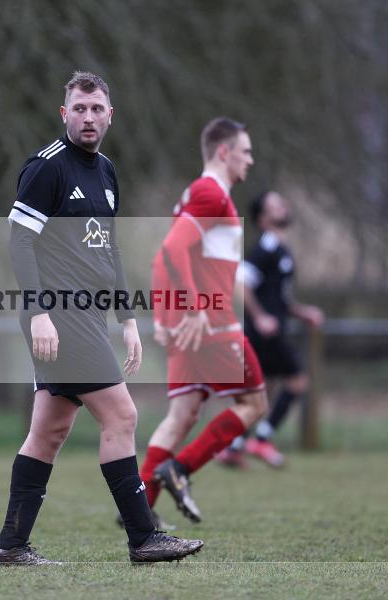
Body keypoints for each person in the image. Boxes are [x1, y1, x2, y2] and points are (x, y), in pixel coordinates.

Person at [0, 71, 204, 565]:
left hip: (86, 316)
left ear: (111, 115)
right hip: (59, 315)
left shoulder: (106, 171)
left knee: (48, 431)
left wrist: (127, 319)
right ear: (63, 113)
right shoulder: (46, 169)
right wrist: (40, 311)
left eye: (97, 109)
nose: (88, 117)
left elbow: (107, 251)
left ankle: (11, 545)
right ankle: (144, 539)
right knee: (122, 416)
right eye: (79, 109)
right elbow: (19, 241)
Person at [139, 118, 268, 524]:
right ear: (224, 152)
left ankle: (139, 510)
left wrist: (164, 316)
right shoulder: (211, 193)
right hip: (211, 323)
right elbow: (172, 249)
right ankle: (179, 470)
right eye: (245, 151)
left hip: (191, 325)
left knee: (182, 416)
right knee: (254, 403)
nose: (251, 159)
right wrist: (194, 308)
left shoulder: (201, 193)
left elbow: (163, 259)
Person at [215, 191, 324, 468]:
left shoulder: (280, 248)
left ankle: (235, 447)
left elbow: (277, 297)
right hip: (264, 333)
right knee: (297, 381)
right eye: (275, 206)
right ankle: (261, 439)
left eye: (282, 203)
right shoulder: (265, 248)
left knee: (260, 393)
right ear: (263, 219)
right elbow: (240, 284)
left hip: (270, 330)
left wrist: (301, 312)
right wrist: (261, 317)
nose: (283, 207)